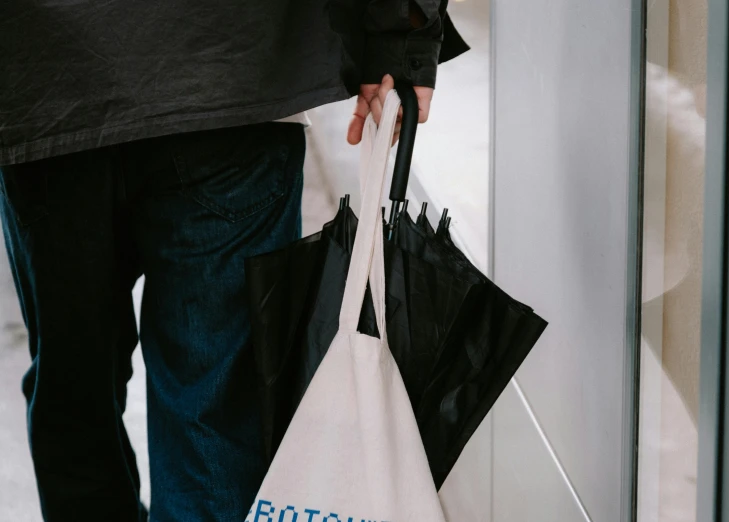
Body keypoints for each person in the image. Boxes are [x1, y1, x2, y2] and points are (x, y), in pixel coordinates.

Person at [0, 1, 467, 521]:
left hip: (44, 77)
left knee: (74, 391)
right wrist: (401, 38)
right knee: (216, 415)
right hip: (232, 67)